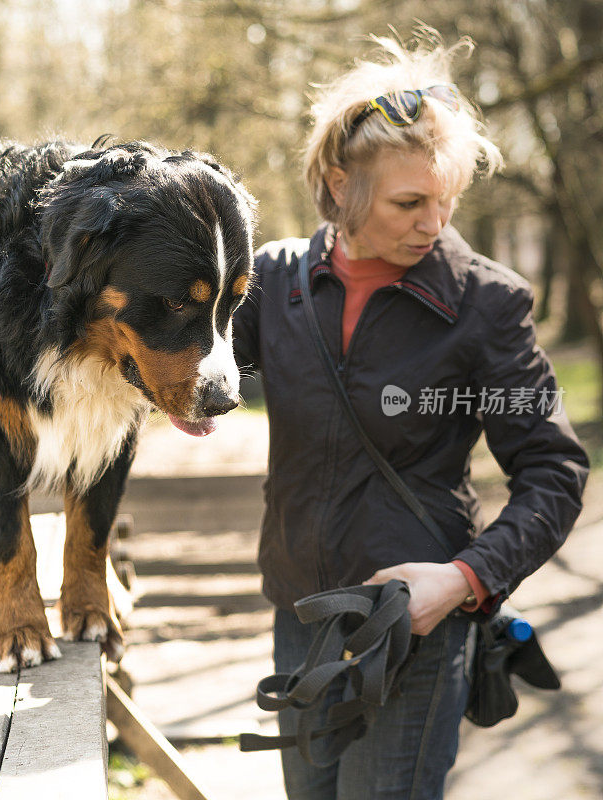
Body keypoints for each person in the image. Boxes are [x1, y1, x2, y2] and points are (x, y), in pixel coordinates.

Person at [232, 33, 588, 800]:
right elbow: (199, 365)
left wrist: (464, 580)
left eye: (447, 199)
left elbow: (555, 473)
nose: (435, 222)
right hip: (300, 614)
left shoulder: (488, 304)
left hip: (415, 626)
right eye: (409, 202)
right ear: (340, 183)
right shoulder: (273, 283)